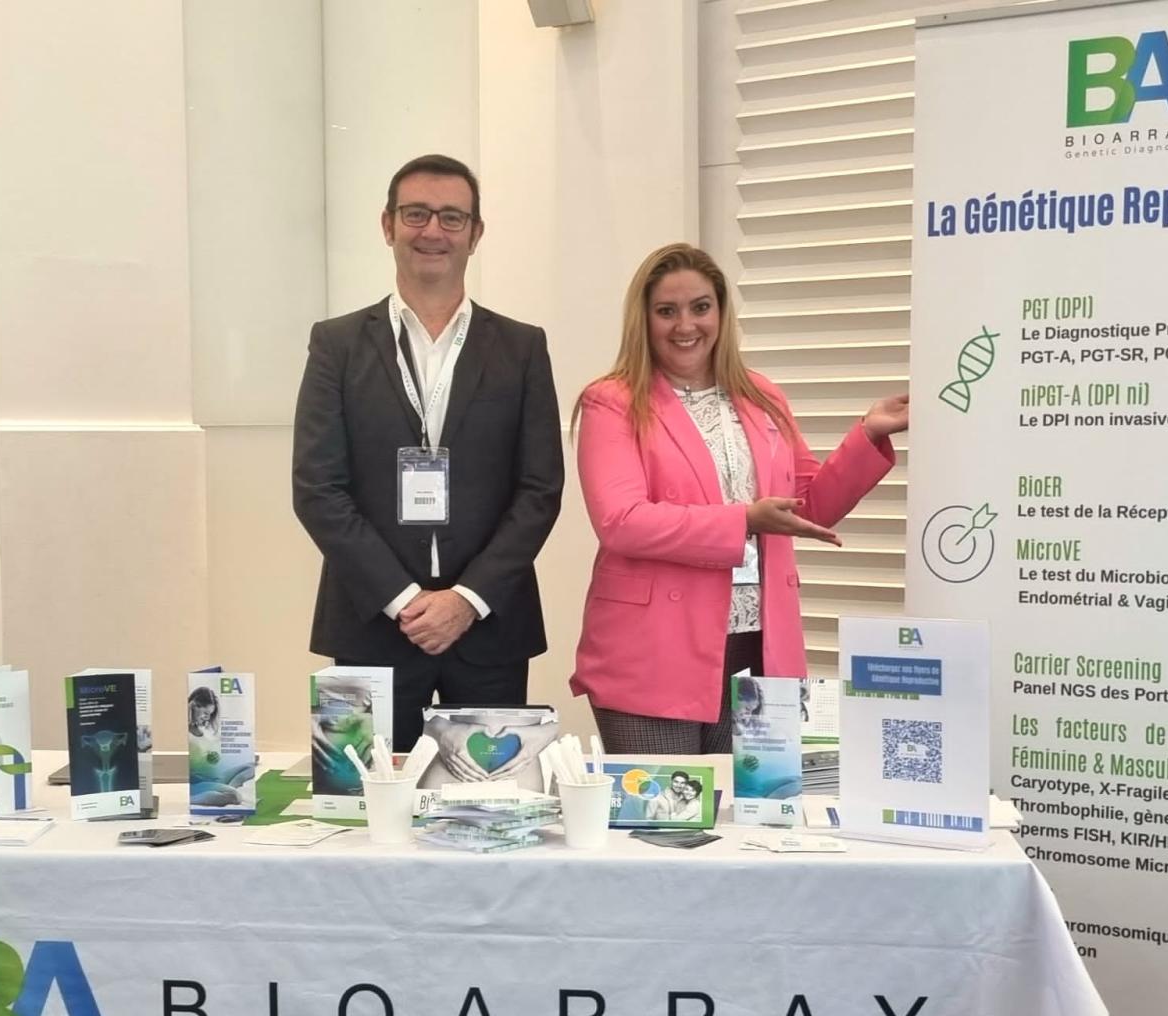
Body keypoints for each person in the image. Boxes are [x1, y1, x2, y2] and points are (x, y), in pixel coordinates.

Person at [570, 242, 907, 755]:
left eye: (700, 307)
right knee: (666, 806)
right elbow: (622, 522)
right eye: (667, 311)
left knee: (751, 805)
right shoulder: (612, 401)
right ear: (644, 319)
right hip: (655, 649)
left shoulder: (761, 394)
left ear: (722, 313)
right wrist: (744, 519)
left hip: (758, 642)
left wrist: (867, 435)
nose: (686, 325)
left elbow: (808, 507)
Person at [293, 155, 565, 751]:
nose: (433, 231)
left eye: (451, 217)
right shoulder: (336, 345)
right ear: (388, 225)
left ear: (476, 233)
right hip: (371, 624)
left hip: (489, 629)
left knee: (489, 799)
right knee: (366, 798)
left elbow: (540, 490)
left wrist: (466, 601)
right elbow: (318, 489)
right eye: (416, 214)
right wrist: (405, 600)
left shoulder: (521, 348)